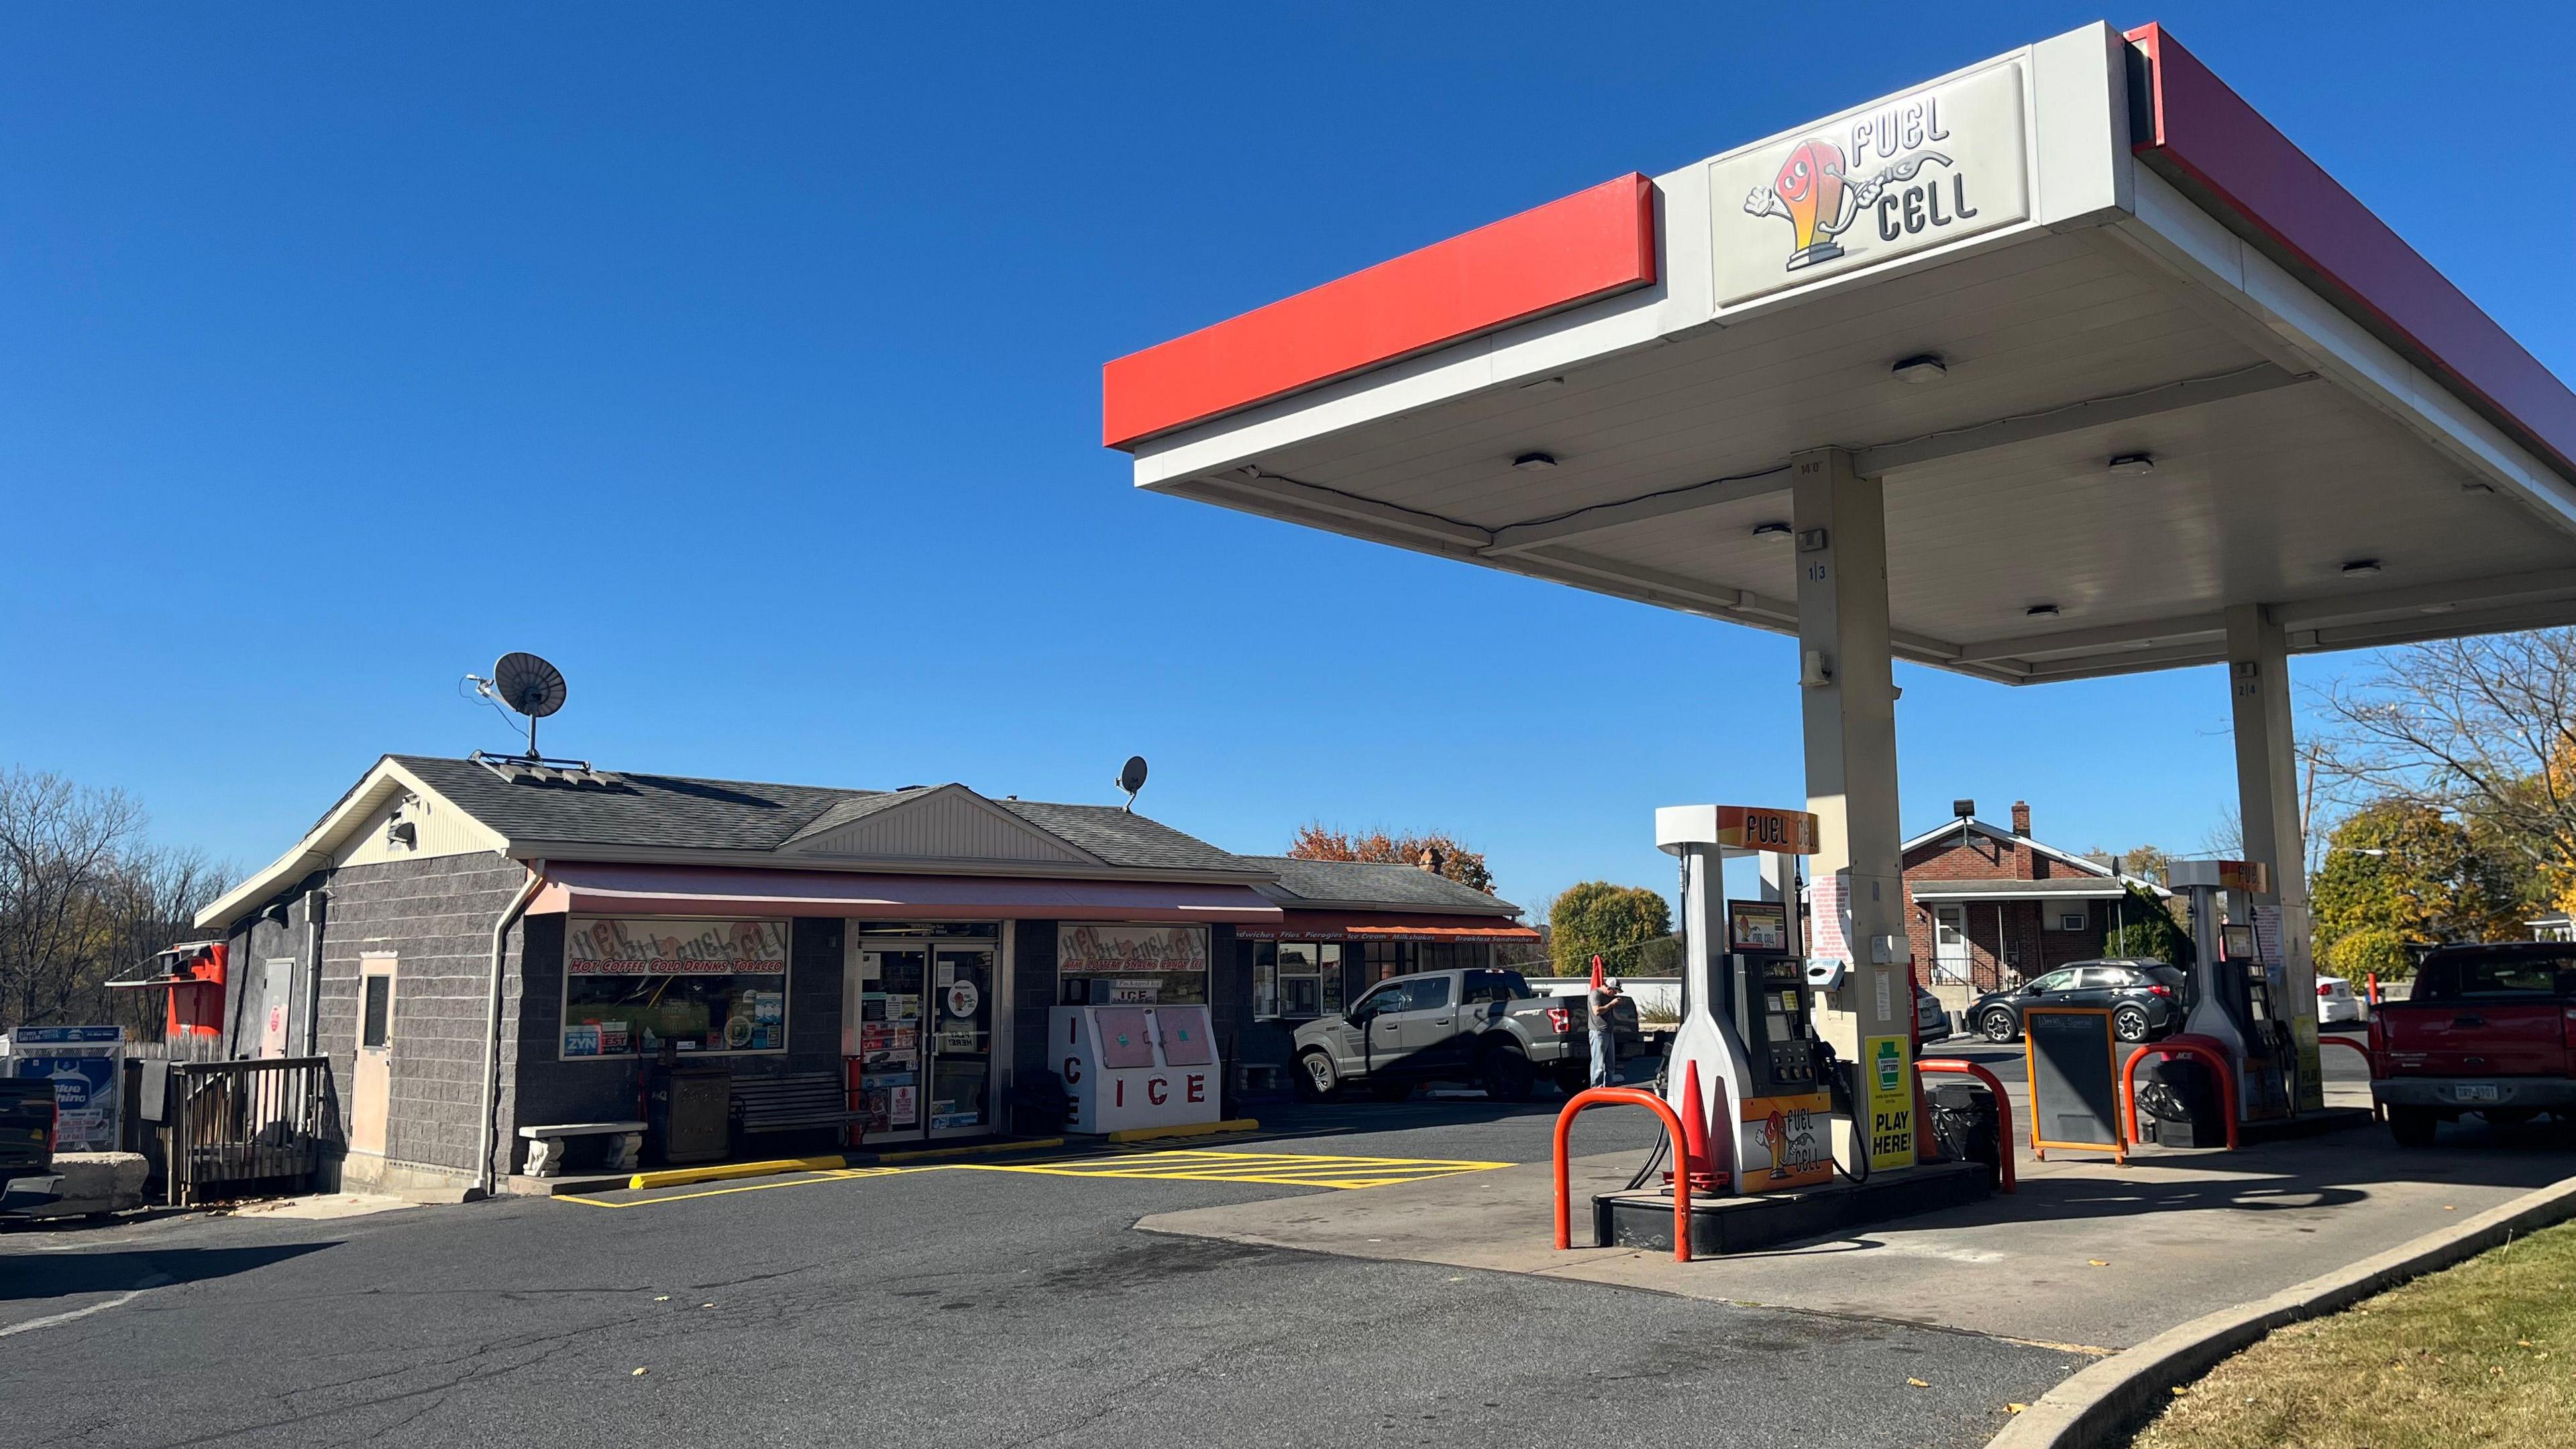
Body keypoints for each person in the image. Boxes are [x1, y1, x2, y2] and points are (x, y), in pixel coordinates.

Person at [1588, 975, 1626, 1087]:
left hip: (1609, 1032)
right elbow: (1597, 1011)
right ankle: (1596, 1087)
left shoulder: (1609, 997)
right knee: (1598, 1063)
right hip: (1598, 1032)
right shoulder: (1595, 994)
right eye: (1614, 991)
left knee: (1610, 1064)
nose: (1614, 994)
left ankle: (1609, 1087)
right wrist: (1611, 1004)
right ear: (1609, 988)